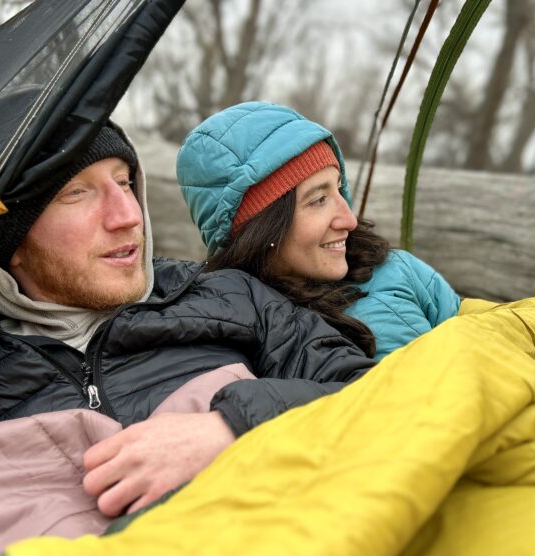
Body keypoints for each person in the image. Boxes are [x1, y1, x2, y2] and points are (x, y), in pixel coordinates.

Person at [0, 117, 373, 518]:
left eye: (125, 182)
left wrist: (231, 427)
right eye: (77, 192)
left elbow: (377, 395)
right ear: (9, 238)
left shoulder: (226, 294)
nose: (128, 215)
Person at [175, 101, 460, 361]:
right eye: (318, 200)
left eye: (338, 189)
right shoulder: (232, 334)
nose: (349, 220)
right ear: (263, 229)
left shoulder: (397, 269)